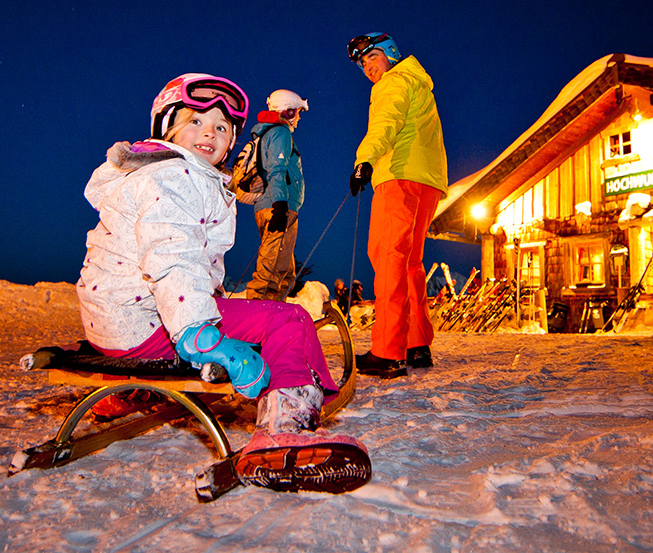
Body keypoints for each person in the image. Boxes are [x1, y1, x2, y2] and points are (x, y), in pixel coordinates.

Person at [74, 73, 370, 493]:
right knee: (288, 320)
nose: (208, 133)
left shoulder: (167, 173)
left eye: (220, 128)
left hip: (118, 321)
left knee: (251, 312)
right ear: (168, 127)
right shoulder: (174, 177)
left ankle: (141, 389)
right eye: (195, 121)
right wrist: (204, 335)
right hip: (149, 323)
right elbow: (171, 255)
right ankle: (285, 430)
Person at [346, 32, 448, 379]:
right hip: (427, 181)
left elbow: (385, 123)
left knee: (388, 257)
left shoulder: (392, 83)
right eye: (362, 64)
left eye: (371, 58)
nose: (368, 68)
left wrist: (365, 160)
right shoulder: (418, 82)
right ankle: (417, 344)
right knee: (409, 262)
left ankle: (387, 351)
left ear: (389, 53)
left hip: (399, 176)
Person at [241, 89, 309, 300]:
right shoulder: (280, 134)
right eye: (296, 112)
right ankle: (258, 318)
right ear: (287, 112)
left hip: (269, 206)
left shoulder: (266, 135)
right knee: (271, 274)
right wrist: (280, 206)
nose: (298, 118)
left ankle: (275, 319)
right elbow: (277, 169)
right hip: (278, 207)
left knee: (284, 273)